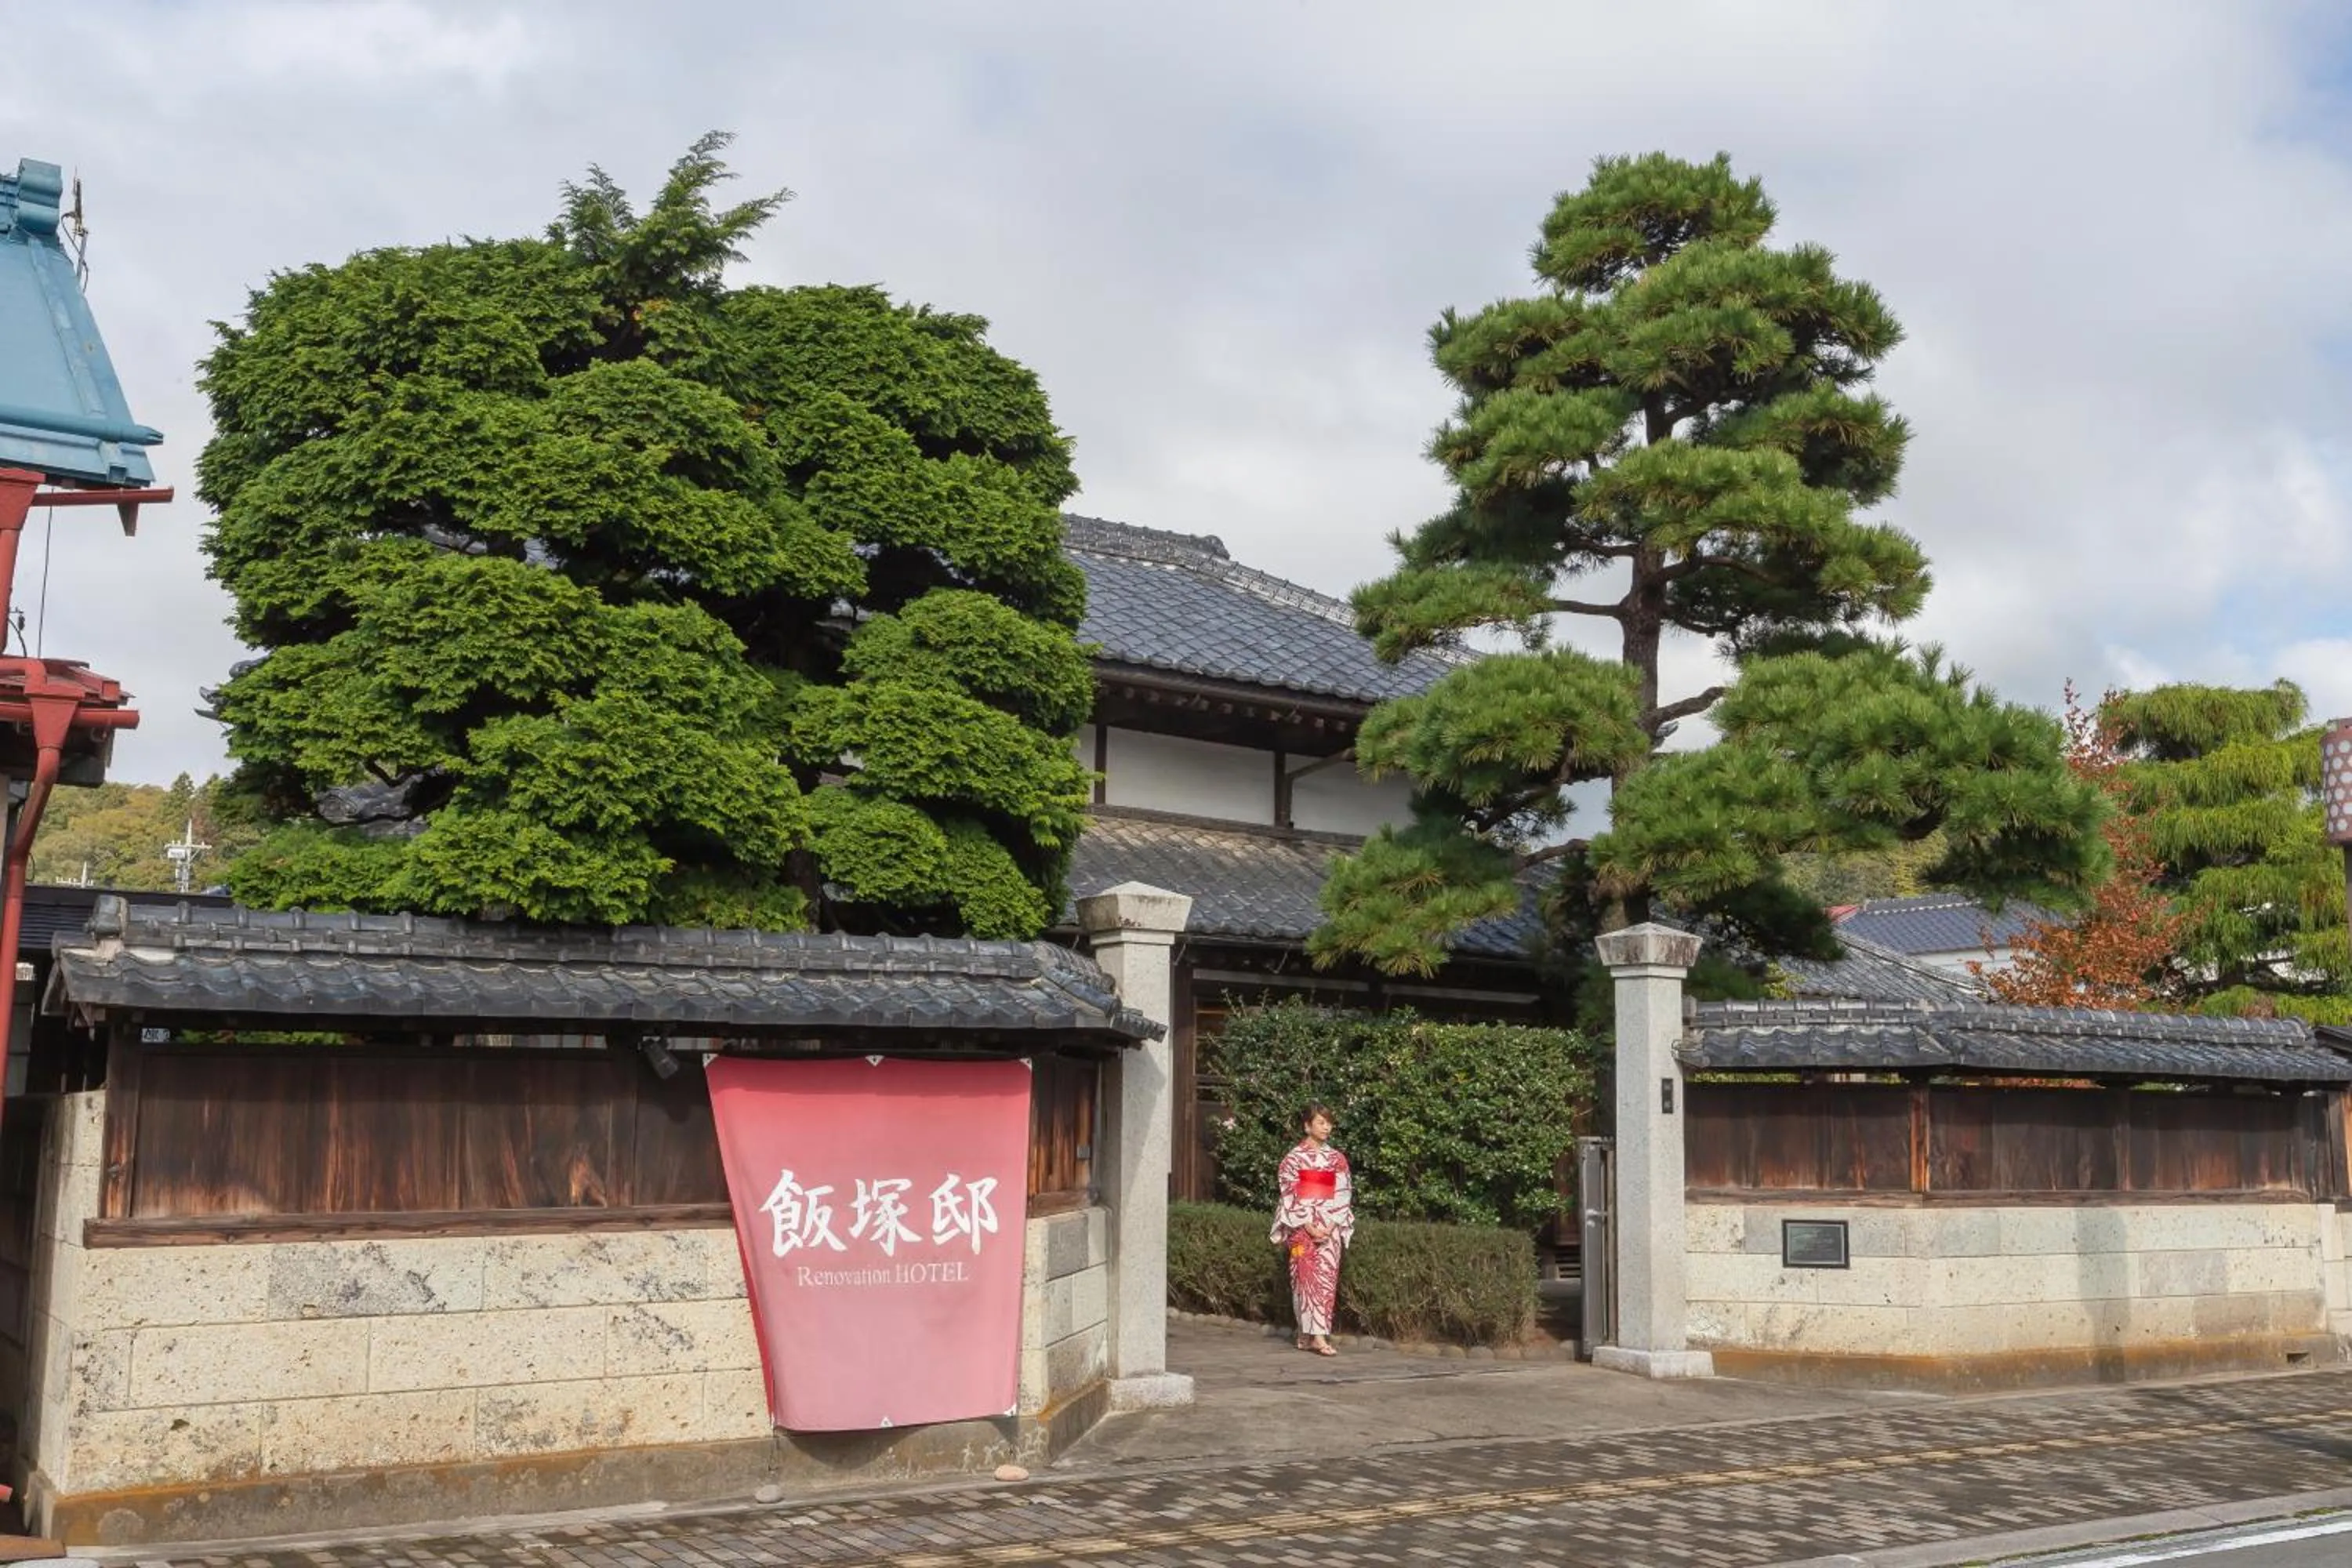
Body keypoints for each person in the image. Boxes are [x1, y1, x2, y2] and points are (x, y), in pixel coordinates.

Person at [1270, 1103, 1354, 1356]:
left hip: (1329, 1225)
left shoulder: (1337, 1159)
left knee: (1326, 1280)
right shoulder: (1293, 1159)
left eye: (1329, 1123)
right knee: (1303, 1280)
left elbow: (1343, 1193)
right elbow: (1290, 1194)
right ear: (1307, 1126)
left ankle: (1317, 1335)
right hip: (1302, 1228)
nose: (1327, 1127)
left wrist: (1330, 1223)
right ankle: (1307, 1333)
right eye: (1321, 1122)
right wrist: (1308, 1224)